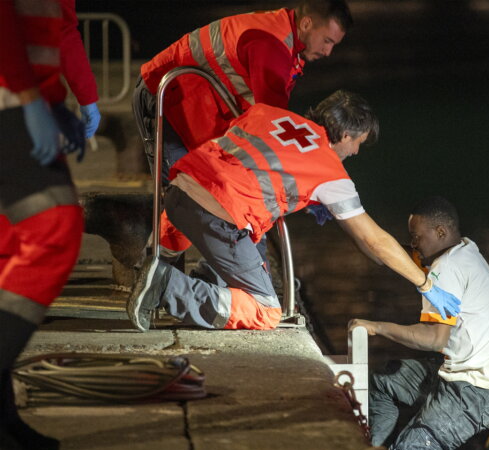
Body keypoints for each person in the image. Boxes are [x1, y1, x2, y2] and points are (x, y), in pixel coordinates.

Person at [127, 91, 460, 332]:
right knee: (266, 310)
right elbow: (373, 240)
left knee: (226, 229)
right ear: (346, 135)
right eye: (359, 143)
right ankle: (166, 286)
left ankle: (162, 267)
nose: (357, 152)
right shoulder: (331, 172)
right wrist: (424, 283)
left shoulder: (266, 113)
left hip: (179, 192)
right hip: (219, 216)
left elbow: (252, 166)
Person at [351, 196, 489, 450]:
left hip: (482, 392)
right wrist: (343, 219)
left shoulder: (448, 269)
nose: (414, 245)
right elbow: (385, 255)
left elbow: (433, 338)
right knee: (384, 381)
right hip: (458, 373)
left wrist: (377, 327)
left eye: (417, 237)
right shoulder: (463, 248)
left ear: (441, 231)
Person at [0, 0, 98, 450]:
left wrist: (64, 99)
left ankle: (3, 421)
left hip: (21, 97)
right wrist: (29, 95)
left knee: (7, 248)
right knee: (52, 225)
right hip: (9, 96)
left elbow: (60, 27)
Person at [133, 0, 352, 183]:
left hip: (189, 101)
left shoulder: (284, 37)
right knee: (178, 192)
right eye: (327, 41)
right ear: (306, 24)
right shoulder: (271, 45)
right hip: (164, 95)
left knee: (196, 190)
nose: (328, 51)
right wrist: (313, 165)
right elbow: (272, 119)